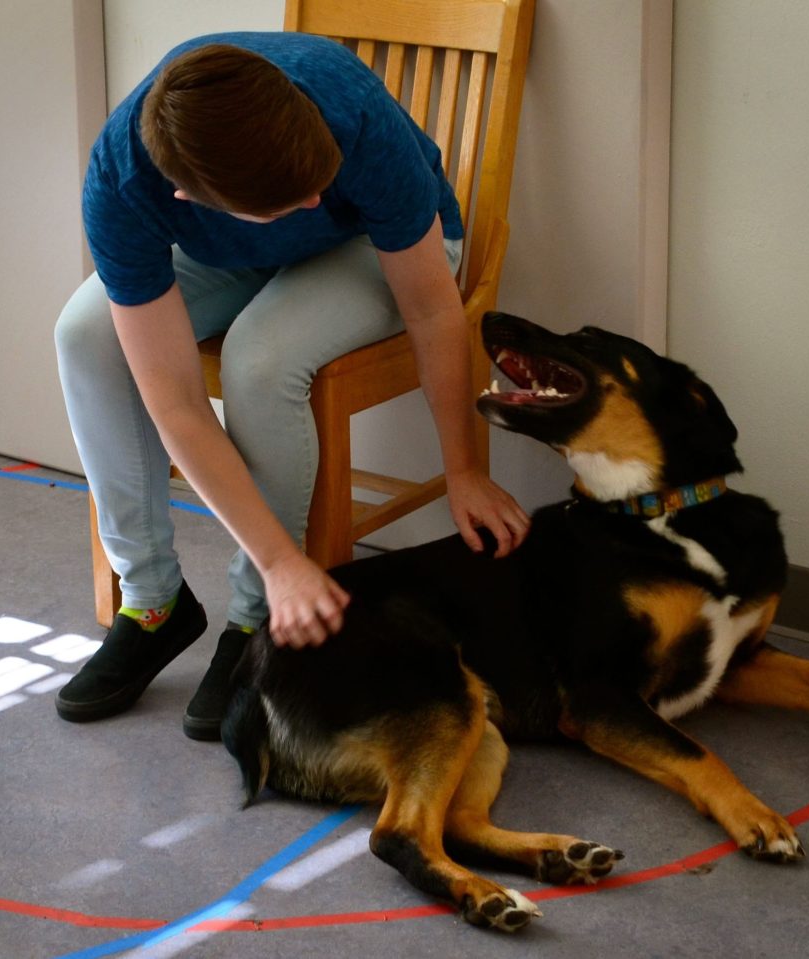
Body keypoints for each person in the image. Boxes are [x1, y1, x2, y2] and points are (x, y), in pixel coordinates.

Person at [54, 33, 529, 740]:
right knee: (85, 335)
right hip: (235, 249)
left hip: (372, 245)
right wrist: (286, 556)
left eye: (317, 182)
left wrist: (461, 466)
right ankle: (152, 602)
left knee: (260, 361)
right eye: (292, 199)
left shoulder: (353, 117)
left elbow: (433, 308)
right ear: (187, 194)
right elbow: (176, 403)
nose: (315, 197)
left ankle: (257, 616)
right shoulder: (123, 182)